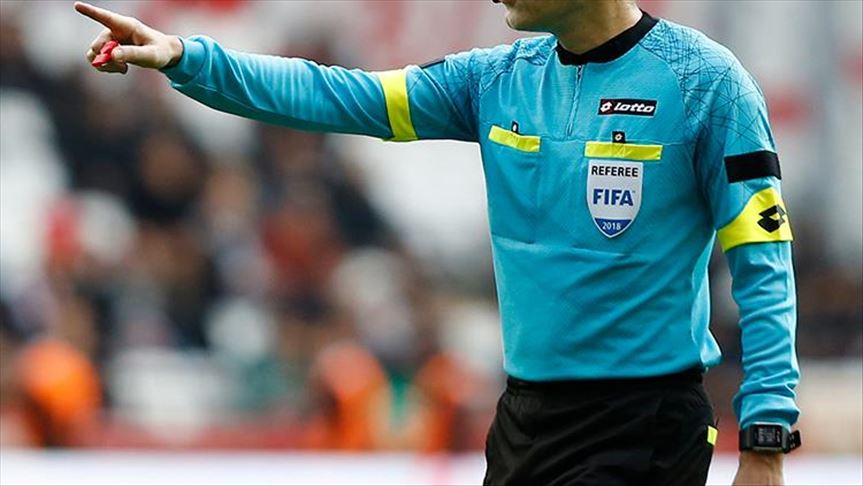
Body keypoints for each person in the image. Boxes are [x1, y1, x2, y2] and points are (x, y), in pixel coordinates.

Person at [74, 0, 802, 484]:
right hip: (524, 419)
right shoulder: (495, 80)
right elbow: (333, 95)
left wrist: (766, 439)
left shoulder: (706, 84)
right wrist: (183, 57)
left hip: (644, 424)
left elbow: (763, 261)